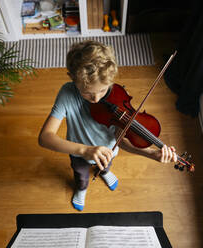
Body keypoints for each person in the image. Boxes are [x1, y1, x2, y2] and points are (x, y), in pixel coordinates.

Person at [38, 40, 177, 211]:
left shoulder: (117, 98)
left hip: (109, 151)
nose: (96, 99)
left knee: (106, 166)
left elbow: (123, 141)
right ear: (72, 78)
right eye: (87, 93)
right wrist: (84, 150)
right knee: (81, 177)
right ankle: (81, 189)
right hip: (78, 153)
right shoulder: (67, 94)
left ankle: (104, 173)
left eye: (102, 91)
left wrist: (151, 154)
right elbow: (45, 138)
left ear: (111, 80)